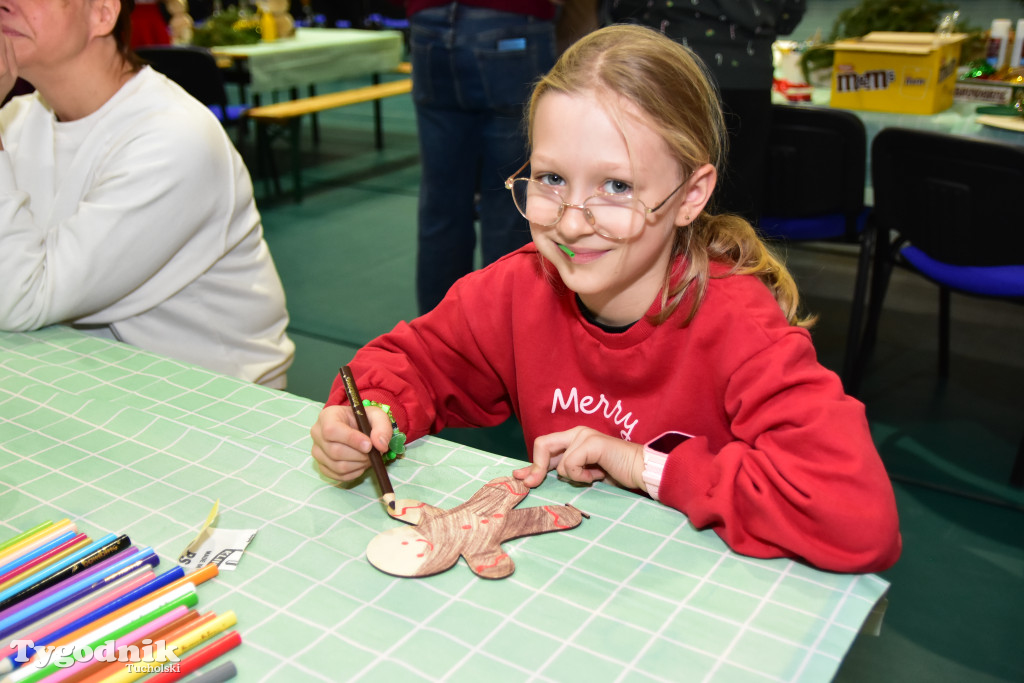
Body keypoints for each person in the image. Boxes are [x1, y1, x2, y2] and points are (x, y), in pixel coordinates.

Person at [310, 24, 901, 573]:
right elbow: (410, 362)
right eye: (551, 179)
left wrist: (638, 463)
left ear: (691, 194)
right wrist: (375, 418)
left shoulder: (739, 324)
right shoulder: (523, 286)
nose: (570, 224)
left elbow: (855, 516)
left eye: (616, 186)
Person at [0, 0, 295, 388]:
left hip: (214, 405)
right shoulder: (18, 119)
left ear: (103, 13)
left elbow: (21, 300)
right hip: (93, 376)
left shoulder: (174, 137)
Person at [407, 1, 559, 314]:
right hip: (512, 20)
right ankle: (504, 339)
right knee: (510, 204)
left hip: (429, 25)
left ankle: (438, 342)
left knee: (441, 206)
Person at [604, 0, 807, 222]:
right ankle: (733, 255)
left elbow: (621, 7)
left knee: (662, 186)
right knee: (739, 195)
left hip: (669, 65)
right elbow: (790, 14)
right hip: (748, 72)